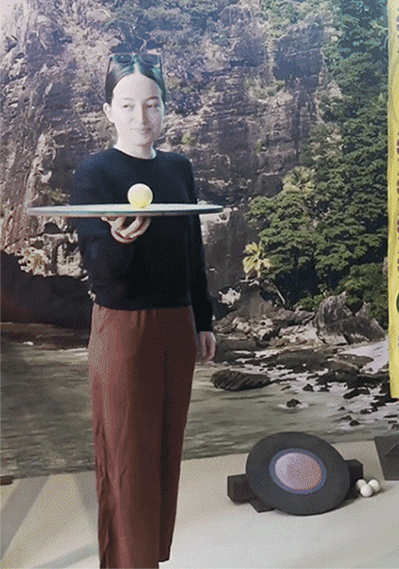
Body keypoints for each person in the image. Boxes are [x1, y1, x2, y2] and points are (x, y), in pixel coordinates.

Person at [71, 52, 216, 568]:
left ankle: (150, 558)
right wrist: (119, 240)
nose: (141, 117)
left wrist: (203, 320)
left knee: (164, 452)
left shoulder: (178, 168)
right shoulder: (95, 172)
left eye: (152, 104)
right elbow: (100, 272)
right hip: (122, 326)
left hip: (178, 322)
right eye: (128, 105)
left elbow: (192, 250)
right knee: (126, 456)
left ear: (165, 107)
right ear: (109, 110)